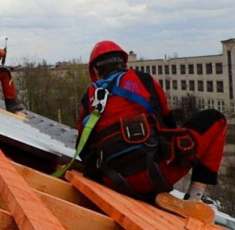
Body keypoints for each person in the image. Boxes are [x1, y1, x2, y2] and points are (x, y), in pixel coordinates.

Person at [77, 40, 226, 223]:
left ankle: (149, 194)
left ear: (95, 71)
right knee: (215, 119)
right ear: (124, 63)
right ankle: (195, 198)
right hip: (156, 173)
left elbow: (82, 150)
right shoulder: (143, 80)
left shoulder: (89, 97)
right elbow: (169, 125)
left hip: (112, 182)